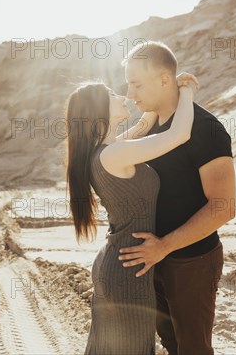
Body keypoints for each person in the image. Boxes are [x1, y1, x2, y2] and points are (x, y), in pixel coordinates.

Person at [65, 71, 200, 354]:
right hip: (127, 269)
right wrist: (187, 90)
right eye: (114, 95)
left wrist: (162, 94)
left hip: (120, 262)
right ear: (99, 110)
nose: (124, 96)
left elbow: (142, 125)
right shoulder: (114, 154)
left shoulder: (108, 150)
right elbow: (180, 134)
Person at [117, 41, 236, 355]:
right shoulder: (147, 128)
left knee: (193, 349)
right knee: (171, 345)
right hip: (152, 260)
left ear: (164, 80)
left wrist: (165, 246)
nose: (130, 95)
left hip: (192, 261)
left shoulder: (206, 130)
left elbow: (223, 208)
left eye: (137, 84)